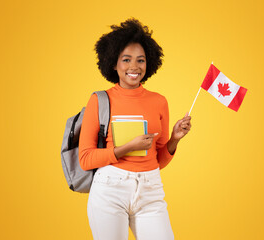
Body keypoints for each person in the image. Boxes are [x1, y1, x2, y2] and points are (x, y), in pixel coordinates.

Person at [79, 18, 191, 240]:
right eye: (126, 59)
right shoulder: (99, 101)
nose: (134, 67)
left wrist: (175, 139)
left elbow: (159, 160)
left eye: (140, 60)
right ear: (113, 63)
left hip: (150, 189)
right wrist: (127, 148)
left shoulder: (159, 101)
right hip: (110, 189)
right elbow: (85, 159)